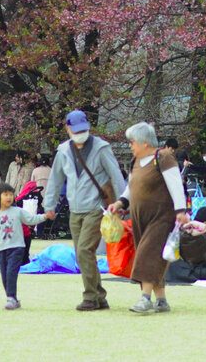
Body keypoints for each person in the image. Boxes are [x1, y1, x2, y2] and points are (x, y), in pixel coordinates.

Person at [40, 109, 127, 311]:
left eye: (84, 129)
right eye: (76, 130)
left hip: (96, 207)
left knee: (85, 250)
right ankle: (100, 296)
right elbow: (55, 179)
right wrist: (49, 205)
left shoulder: (101, 147)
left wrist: (123, 201)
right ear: (68, 128)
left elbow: (115, 174)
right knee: (82, 255)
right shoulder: (63, 151)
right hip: (74, 209)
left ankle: (90, 296)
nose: (81, 134)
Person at [106, 122, 189, 315]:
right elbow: (131, 186)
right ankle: (161, 300)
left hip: (161, 217)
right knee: (155, 256)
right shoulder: (137, 161)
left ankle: (145, 298)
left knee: (147, 254)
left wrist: (180, 211)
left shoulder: (163, 157)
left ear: (144, 142)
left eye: (132, 142)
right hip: (139, 218)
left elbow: (176, 185)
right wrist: (120, 203)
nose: (130, 146)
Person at [0, 182, 46, 310]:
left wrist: (45, 216)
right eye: (6, 194)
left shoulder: (18, 212)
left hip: (17, 248)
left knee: (11, 272)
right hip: (1, 250)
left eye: (11, 194)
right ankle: (14, 299)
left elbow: (31, 219)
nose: (9, 197)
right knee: (4, 275)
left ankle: (10, 298)